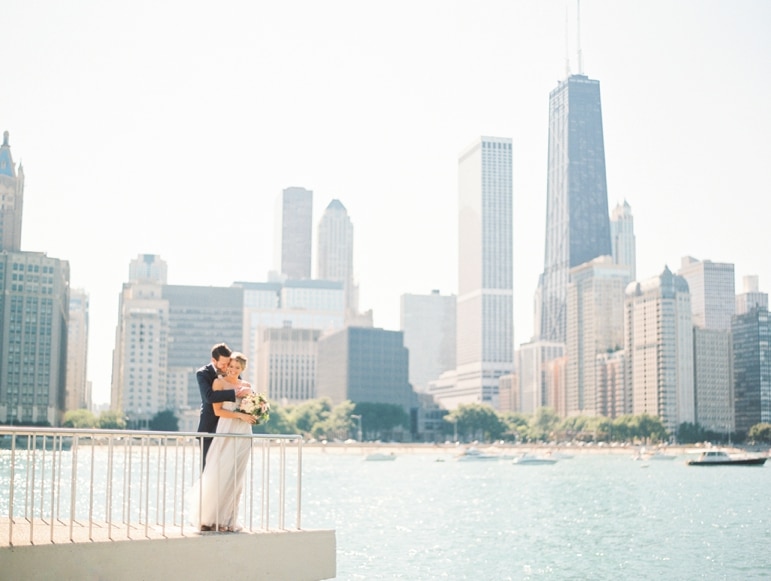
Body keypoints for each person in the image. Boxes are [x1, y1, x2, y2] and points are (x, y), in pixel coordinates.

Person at [190, 352, 257, 532]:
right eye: (231, 366)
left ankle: (228, 520)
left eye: (238, 367)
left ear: (243, 369)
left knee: (237, 477)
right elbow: (218, 411)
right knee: (219, 473)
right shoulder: (218, 383)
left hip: (244, 432)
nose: (234, 370)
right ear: (226, 366)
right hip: (227, 429)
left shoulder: (247, 386)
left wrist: (256, 413)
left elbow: (254, 406)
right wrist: (240, 415)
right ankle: (209, 518)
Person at [196, 342, 251, 468]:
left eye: (229, 363)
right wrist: (234, 393)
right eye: (224, 363)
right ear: (213, 360)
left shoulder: (232, 371)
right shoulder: (202, 373)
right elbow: (209, 397)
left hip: (232, 428)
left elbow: (241, 389)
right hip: (210, 427)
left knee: (230, 468)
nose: (228, 367)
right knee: (209, 468)